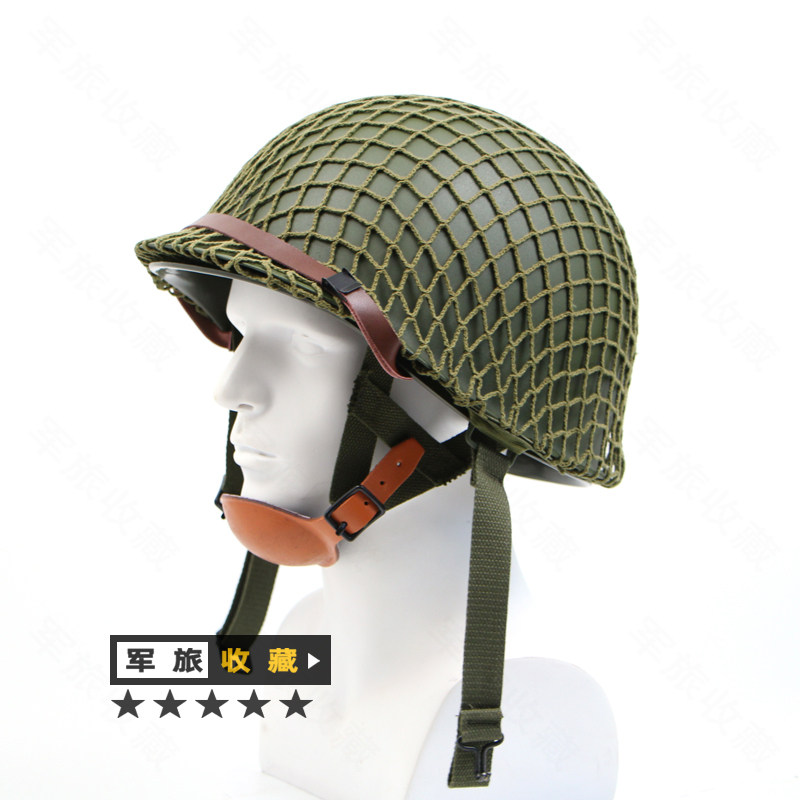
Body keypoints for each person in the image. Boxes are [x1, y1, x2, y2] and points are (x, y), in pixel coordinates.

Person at [136, 93, 637, 798]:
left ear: (451, 400)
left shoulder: (544, 705)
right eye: (244, 337)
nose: (232, 389)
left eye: (302, 347)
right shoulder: (301, 640)